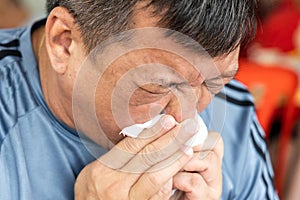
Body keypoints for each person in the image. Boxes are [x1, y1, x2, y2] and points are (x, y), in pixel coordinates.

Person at [0, 0, 278, 199]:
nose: (187, 119)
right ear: (65, 42)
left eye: (213, 82)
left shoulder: (236, 114)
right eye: (158, 86)